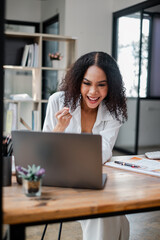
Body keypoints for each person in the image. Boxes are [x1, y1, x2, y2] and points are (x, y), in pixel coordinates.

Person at [43, 51, 129, 240]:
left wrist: (67, 148)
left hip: (94, 178)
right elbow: (44, 152)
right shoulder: (58, 101)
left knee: (113, 213)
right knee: (108, 213)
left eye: (101, 85)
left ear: (111, 86)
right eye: (87, 83)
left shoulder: (115, 110)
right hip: (61, 178)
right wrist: (59, 128)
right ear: (77, 81)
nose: (93, 92)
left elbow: (104, 152)